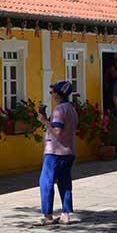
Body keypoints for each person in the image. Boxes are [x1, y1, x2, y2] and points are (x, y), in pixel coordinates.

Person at [35, 80, 78, 225]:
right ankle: (65, 214)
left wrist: (44, 121)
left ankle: (48, 215)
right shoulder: (71, 109)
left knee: (46, 182)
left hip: (55, 151)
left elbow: (57, 131)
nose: (51, 94)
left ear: (58, 95)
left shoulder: (59, 110)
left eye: (52, 92)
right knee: (64, 182)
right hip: (69, 151)